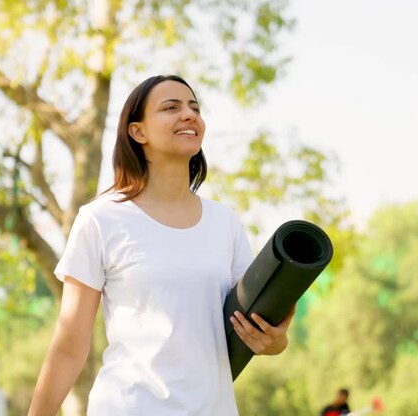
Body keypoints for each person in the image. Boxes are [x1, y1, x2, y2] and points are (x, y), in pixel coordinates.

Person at [27, 75, 296, 415]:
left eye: (194, 108)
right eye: (171, 107)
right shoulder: (101, 220)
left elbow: (251, 325)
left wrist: (275, 342)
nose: (189, 115)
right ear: (138, 132)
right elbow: (69, 346)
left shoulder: (225, 224)